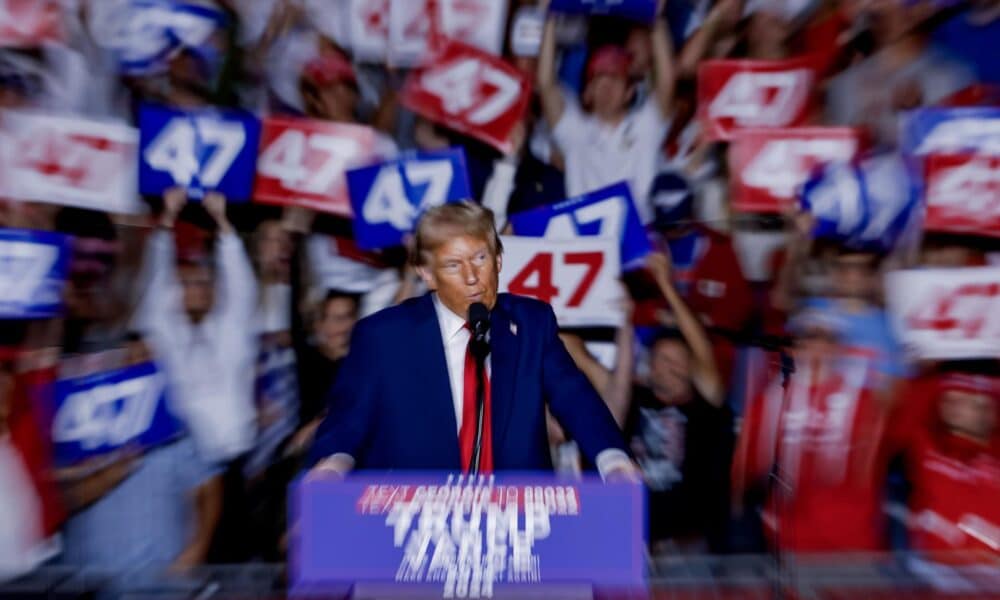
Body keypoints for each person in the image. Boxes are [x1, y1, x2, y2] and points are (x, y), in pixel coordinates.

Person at [309, 203, 633, 477]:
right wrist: (332, 467)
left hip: (518, 525)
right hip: (416, 525)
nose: (472, 278)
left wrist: (614, 461)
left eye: (480, 259)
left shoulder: (532, 323)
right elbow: (348, 419)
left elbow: (575, 399)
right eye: (453, 265)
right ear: (427, 273)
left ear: (499, 259)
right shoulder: (382, 336)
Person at [537, 0, 676, 223]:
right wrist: (550, 19)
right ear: (587, 93)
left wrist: (657, 22)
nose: (606, 87)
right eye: (598, 80)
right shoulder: (575, 132)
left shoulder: (645, 127)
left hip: (637, 239)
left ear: (630, 92)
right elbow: (545, 83)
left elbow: (667, 81)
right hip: (589, 241)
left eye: (614, 79)